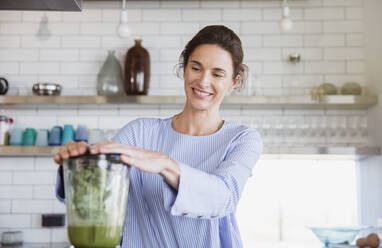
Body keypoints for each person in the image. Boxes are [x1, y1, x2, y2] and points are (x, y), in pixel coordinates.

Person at [54, 25, 263, 248]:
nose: (203, 81)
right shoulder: (140, 133)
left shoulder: (242, 139)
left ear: (234, 82)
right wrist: (78, 162)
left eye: (217, 74)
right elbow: (98, 190)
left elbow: (223, 198)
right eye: (196, 68)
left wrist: (165, 165)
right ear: (184, 70)